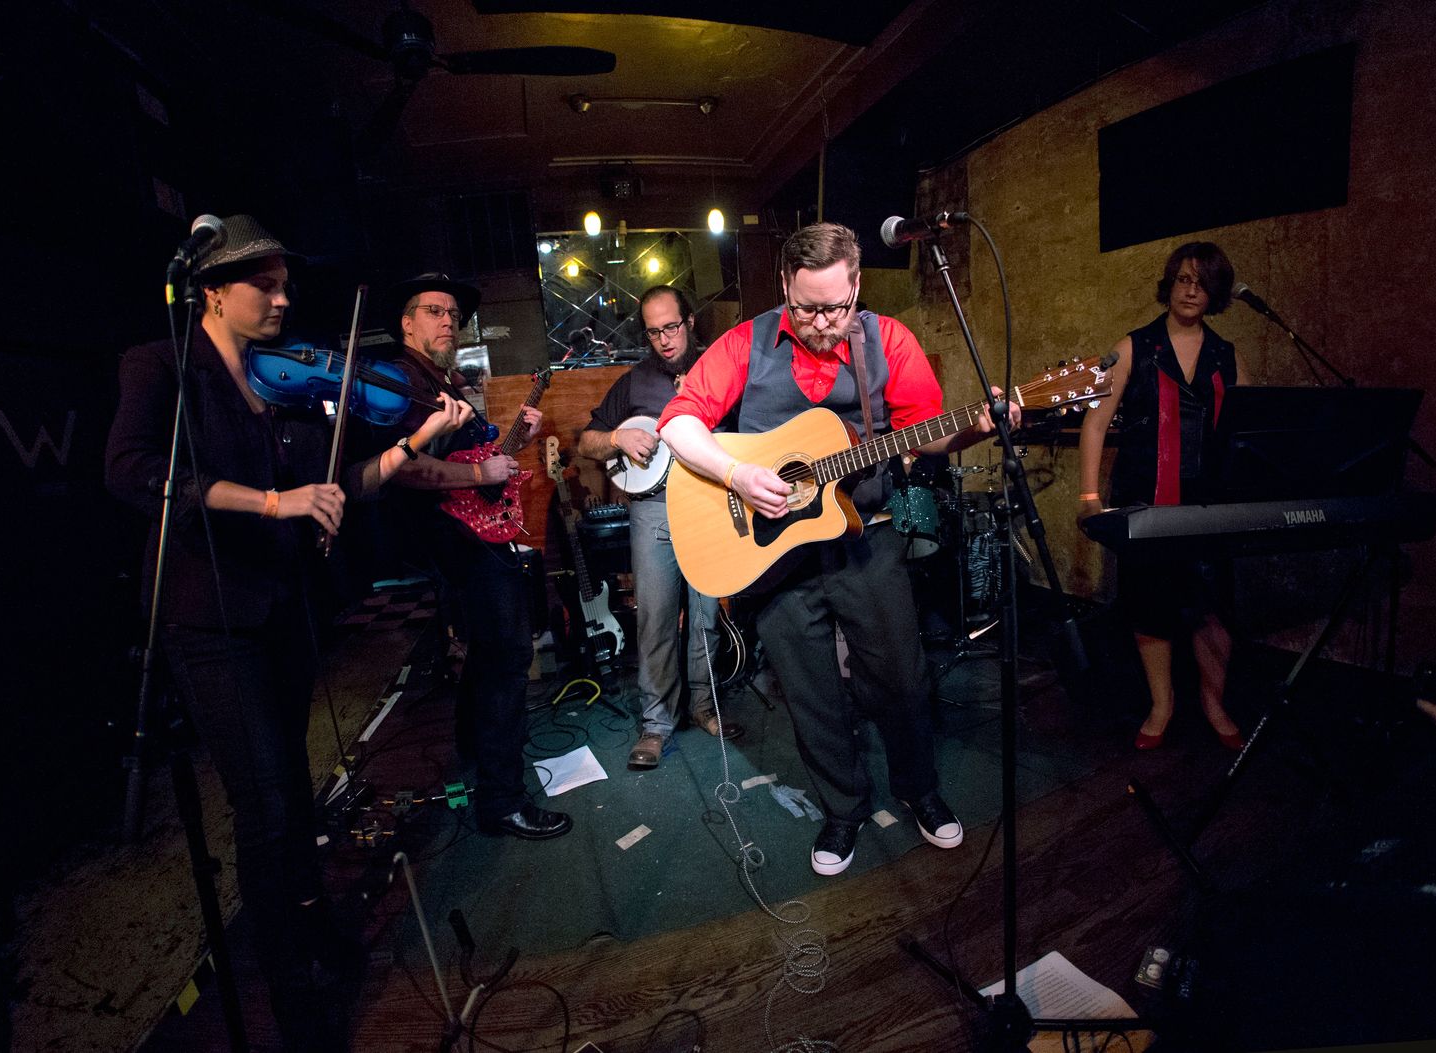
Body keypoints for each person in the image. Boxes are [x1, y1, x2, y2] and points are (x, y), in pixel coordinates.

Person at [105, 216, 470, 1051]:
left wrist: (413, 442)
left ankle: (311, 927)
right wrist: (273, 501)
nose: (281, 299)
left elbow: (342, 482)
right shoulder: (161, 365)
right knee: (263, 803)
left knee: (294, 790)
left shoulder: (289, 383)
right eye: (262, 285)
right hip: (208, 617)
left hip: (283, 608)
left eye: (285, 285)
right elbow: (131, 471)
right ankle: (289, 985)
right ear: (210, 291)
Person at [657, 222, 1013, 876]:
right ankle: (844, 809)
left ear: (856, 284)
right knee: (811, 692)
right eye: (806, 308)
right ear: (784, 286)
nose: (821, 323)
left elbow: (922, 433)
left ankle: (919, 789)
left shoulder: (889, 340)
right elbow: (678, 422)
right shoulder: (745, 342)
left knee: (901, 678)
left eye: (835, 307)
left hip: (864, 533)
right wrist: (737, 475)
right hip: (772, 551)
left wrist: (974, 429)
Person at [373, 272, 573, 841]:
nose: (448, 322)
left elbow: (472, 456)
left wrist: (515, 443)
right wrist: (480, 473)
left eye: (454, 316)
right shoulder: (400, 380)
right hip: (456, 543)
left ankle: (476, 754)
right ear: (406, 322)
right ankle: (503, 801)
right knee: (508, 658)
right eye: (434, 312)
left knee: (490, 655)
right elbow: (403, 467)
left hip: (471, 538)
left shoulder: (442, 380)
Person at [1077, 242, 1250, 751]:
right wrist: (1089, 496)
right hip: (1146, 501)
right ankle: (1162, 703)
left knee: (1212, 607)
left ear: (1215, 293)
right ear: (1170, 285)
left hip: (1211, 506)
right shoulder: (1135, 347)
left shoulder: (1226, 355)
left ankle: (1214, 703)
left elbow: (1247, 428)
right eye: (1183, 279)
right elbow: (1095, 424)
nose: (1191, 290)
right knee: (1150, 605)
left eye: (1203, 282)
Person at [575, 286, 743, 770]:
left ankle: (704, 706)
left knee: (706, 615)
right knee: (655, 616)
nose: (664, 339)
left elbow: (754, 433)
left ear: (689, 322)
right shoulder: (633, 382)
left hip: (712, 503)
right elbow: (586, 442)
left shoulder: (720, 369)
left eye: (671, 327)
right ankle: (656, 724)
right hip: (654, 508)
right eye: (653, 332)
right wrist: (617, 436)